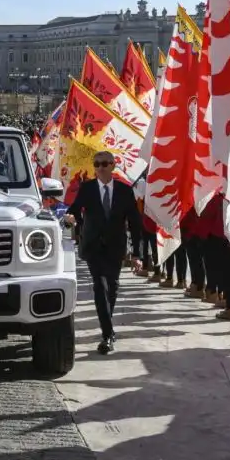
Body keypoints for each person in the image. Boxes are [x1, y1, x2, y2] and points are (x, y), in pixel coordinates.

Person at [67, 152, 138, 354]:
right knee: (100, 286)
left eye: (105, 164)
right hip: (93, 247)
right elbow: (74, 208)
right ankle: (107, 335)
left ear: (113, 165)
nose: (101, 167)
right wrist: (71, 219)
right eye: (97, 164)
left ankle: (107, 328)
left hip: (115, 248)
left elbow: (134, 222)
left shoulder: (125, 191)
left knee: (112, 289)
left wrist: (137, 253)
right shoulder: (87, 188)